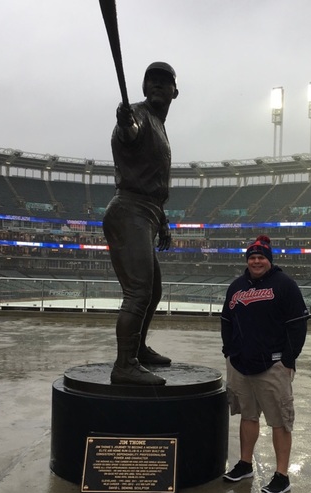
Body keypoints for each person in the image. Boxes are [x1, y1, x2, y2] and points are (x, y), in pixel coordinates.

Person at [102, 62, 179, 386]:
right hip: (129, 210)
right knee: (138, 292)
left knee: (153, 290)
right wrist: (125, 124)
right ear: (145, 87)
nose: (158, 85)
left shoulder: (159, 124)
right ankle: (125, 364)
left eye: (165, 81)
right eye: (153, 80)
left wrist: (162, 221)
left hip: (147, 213)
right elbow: (128, 133)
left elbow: (153, 182)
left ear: (175, 92)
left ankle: (138, 349)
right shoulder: (137, 115)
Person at [221, 235, 309, 493]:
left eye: (261, 257)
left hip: (273, 365)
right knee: (247, 416)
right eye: (252, 257)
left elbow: (298, 324)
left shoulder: (285, 285)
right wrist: (229, 351)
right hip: (240, 364)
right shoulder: (236, 286)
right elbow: (226, 320)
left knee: (280, 421)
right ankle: (245, 464)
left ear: (269, 260)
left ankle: (282, 475)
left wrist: (288, 359)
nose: (256, 261)